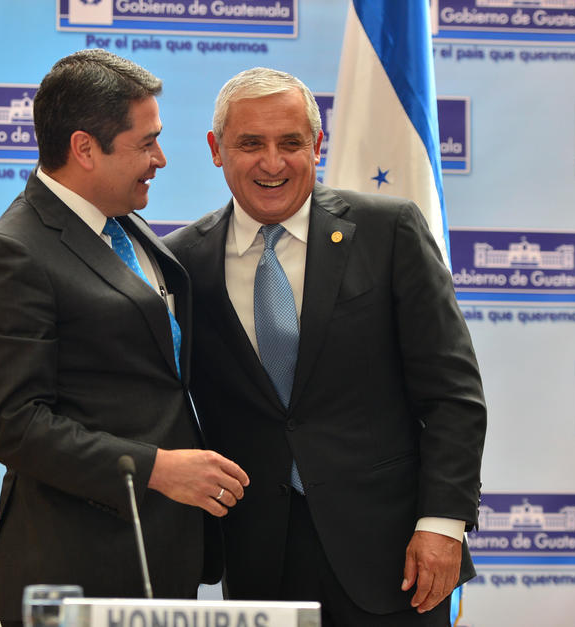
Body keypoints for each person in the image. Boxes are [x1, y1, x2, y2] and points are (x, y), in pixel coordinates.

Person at [164, 67, 486, 626]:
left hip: (394, 558)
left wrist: (442, 523)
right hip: (258, 560)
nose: (272, 163)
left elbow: (452, 394)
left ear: (317, 144)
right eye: (250, 144)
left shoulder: (389, 231)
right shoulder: (182, 262)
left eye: (290, 143)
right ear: (216, 150)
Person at [0, 49, 249, 626]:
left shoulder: (122, 221)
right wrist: (157, 468)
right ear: (85, 148)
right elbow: (16, 425)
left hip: (160, 556)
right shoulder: (10, 253)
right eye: (146, 143)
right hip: (75, 570)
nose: (161, 159)